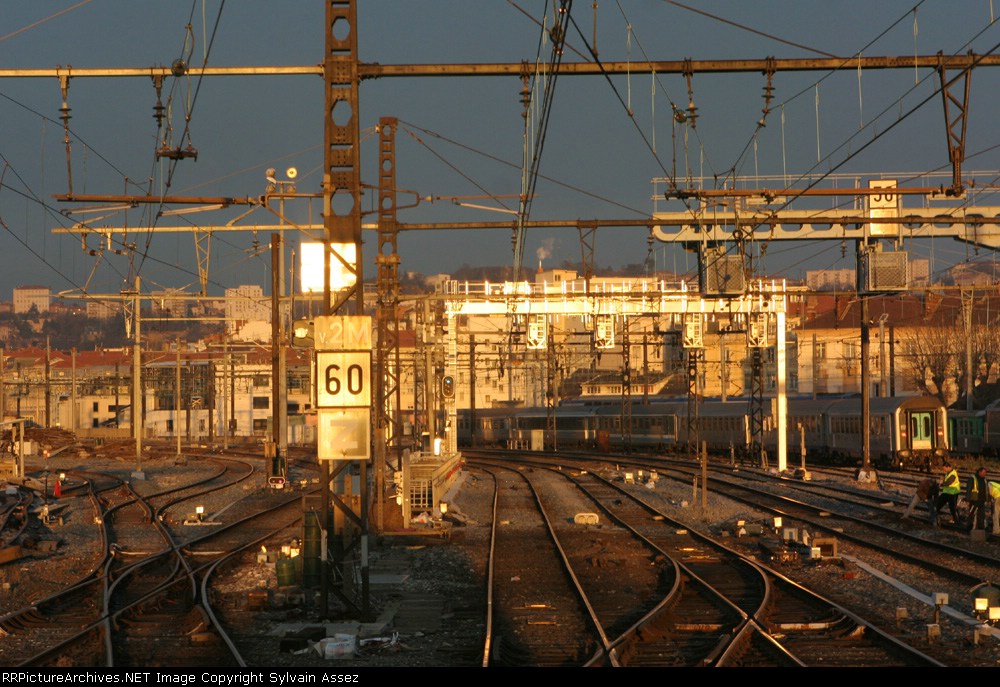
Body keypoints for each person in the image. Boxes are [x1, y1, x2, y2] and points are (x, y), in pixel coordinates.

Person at [933, 461, 961, 526]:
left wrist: (942, 483)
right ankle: (935, 517)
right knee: (939, 503)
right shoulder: (948, 473)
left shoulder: (953, 474)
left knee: (952, 507)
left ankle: (956, 520)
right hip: (947, 492)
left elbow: (949, 482)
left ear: (948, 467)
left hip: (953, 493)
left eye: (944, 468)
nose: (944, 470)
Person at [966, 466, 991, 531]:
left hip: (981, 500)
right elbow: (968, 489)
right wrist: (967, 500)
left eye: (985, 473)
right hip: (974, 500)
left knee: (981, 515)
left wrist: (988, 499)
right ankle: (969, 528)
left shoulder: (984, 480)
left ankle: (980, 528)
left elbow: (987, 491)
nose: (985, 474)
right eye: (984, 472)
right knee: (971, 514)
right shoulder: (972, 478)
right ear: (979, 472)